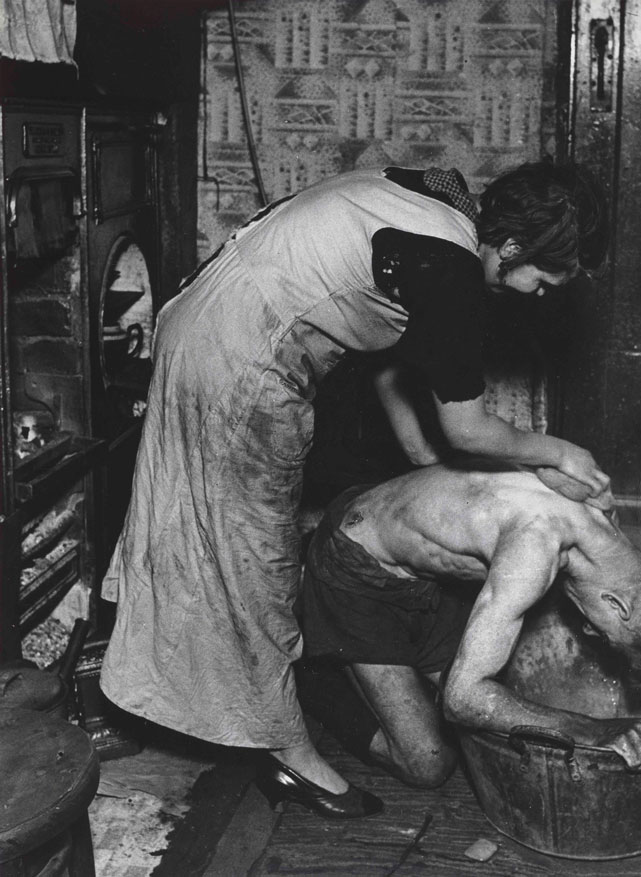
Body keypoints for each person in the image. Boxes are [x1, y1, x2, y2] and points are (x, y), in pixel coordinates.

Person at [99, 161, 611, 819]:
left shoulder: (442, 198)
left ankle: (248, 692)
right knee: (253, 557)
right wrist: (559, 451)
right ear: (512, 249)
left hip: (205, 317)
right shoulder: (453, 272)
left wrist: (428, 460)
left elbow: (394, 366)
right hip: (240, 355)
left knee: (210, 532)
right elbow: (468, 424)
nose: (539, 294)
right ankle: (289, 755)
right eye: (543, 278)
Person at [296, 464, 641, 788]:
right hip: (356, 570)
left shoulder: (601, 515)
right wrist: (595, 730)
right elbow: (462, 701)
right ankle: (311, 674)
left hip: (422, 569)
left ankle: (380, 662)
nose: (593, 636)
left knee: (513, 702)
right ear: (618, 605)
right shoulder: (532, 550)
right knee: (429, 761)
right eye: (608, 636)